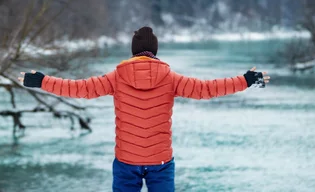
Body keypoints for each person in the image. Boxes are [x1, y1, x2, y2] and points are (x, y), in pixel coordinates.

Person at [18, 26, 270, 192]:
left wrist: (41, 81)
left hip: (126, 161)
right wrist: (246, 80)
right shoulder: (171, 79)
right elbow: (208, 89)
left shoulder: (115, 77)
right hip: (160, 161)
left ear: (133, 52)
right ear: (155, 51)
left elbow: (78, 89)